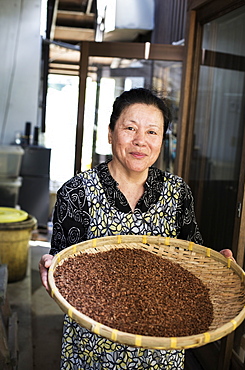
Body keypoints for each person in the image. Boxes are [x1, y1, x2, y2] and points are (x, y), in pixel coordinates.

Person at [39, 87, 233, 369]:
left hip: (161, 350)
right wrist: (50, 272)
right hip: (93, 350)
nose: (140, 141)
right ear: (110, 133)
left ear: (162, 139)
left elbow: (193, 264)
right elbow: (64, 276)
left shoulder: (178, 193)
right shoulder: (77, 192)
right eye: (130, 128)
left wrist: (217, 268)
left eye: (152, 132)